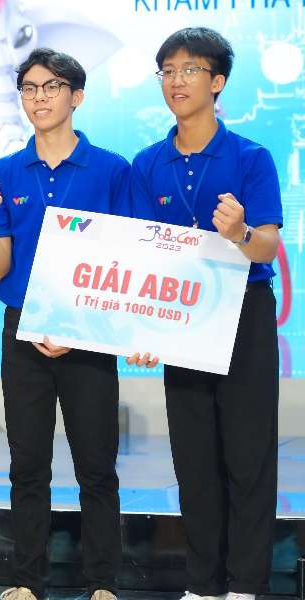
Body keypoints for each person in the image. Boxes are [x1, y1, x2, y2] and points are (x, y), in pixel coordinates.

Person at [0, 48, 133, 600]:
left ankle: (103, 581)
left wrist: (84, 325)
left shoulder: (112, 170)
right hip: (23, 330)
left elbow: (127, 257)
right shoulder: (2, 173)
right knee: (27, 465)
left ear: (77, 96)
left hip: (88, 332)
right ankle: (27, 581)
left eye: (52, 87)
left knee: (97, 464)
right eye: (29, 88)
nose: (39, 98)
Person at [129, 27, 282, 600]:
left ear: (217, 82)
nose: (177, 81)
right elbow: (142, 255)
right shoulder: (148, 163)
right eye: (167, 71)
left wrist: (239, 231)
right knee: (193, 457)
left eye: (190, 70)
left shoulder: (250, 157)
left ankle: (246, 584)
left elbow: (266, 247)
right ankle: (203, 583)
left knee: (248, 454)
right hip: (180, 316)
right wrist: (141, 327)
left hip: (244, 312)